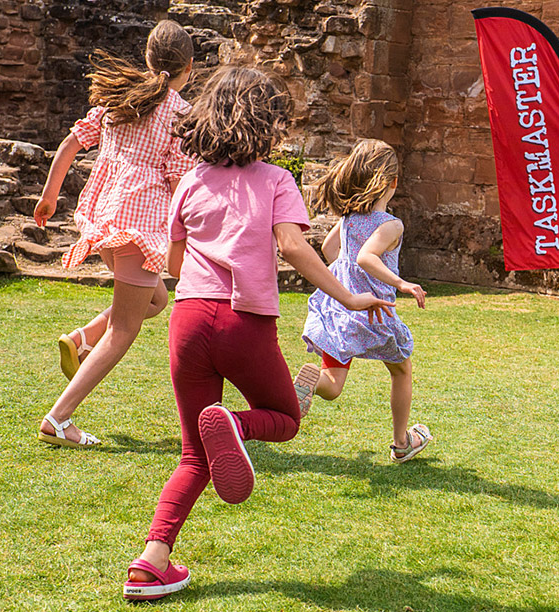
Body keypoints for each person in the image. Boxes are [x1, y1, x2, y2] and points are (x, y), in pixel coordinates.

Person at [122, 66, 394, 602]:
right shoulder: (276, 181)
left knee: (194, 455)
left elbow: (174, 258)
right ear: (268, 121)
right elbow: (294, 248)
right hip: (242, 322)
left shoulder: (191, 181)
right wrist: (349, 296)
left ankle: (151, 561)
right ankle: (233, 425)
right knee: (287, 419)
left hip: (188, 319)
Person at [34, 21, 198, 449]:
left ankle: (82, 338)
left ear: (147, 59)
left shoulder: (118, 100)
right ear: (190, 69)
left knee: (154, 299)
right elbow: (180, 183)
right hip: (139, 225)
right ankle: (58, 418)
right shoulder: (179, 114)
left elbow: (70, 145)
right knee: (124, 328)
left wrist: (49, 197)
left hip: (106, 217)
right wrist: (189, 233)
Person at [294, 139, 432, 463]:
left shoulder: (349, 220)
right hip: (373, 312)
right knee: (401, 371)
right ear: (393, 182)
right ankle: (401, 442)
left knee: (333, 382)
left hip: (340, 308)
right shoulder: (390, 225)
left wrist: (345, 278)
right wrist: (401, 283)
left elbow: (330, 252)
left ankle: (309, 384)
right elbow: (368, 257)